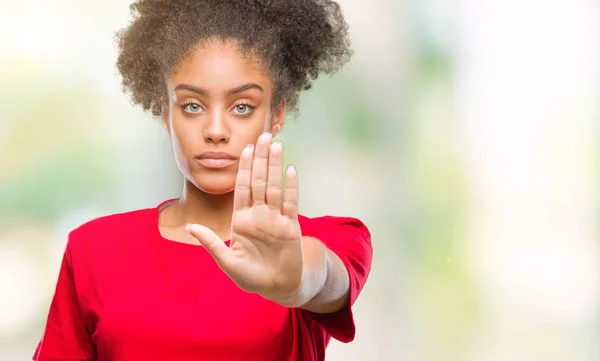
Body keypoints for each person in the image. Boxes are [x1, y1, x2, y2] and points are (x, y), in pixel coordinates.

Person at [33, 1, 373, 360]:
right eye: (192, 105)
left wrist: (300, 281)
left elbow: (325, 277)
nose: (215, 131)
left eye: (242, 106)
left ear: (276, 115)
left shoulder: (332, 238)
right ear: (166, 113)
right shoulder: (93, 250)